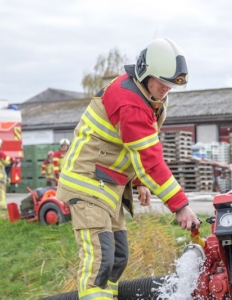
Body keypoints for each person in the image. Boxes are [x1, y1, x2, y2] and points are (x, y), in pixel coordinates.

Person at [56, 37, 200, 300]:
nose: (166, 89)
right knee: (100, 260)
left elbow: (130, 146)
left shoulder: (150, 96)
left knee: (118, 257)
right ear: (146, 74)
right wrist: (180, 205)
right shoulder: (130, 102)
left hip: (107, 186)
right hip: (88, 184)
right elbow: (149, 159)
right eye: (162, 82)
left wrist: (139, 183)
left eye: (170, 85)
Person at [0, 138, 12, 209]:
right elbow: (8, 161)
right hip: (0, 177)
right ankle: (2, 205)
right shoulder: (1, 153)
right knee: (2, 190)